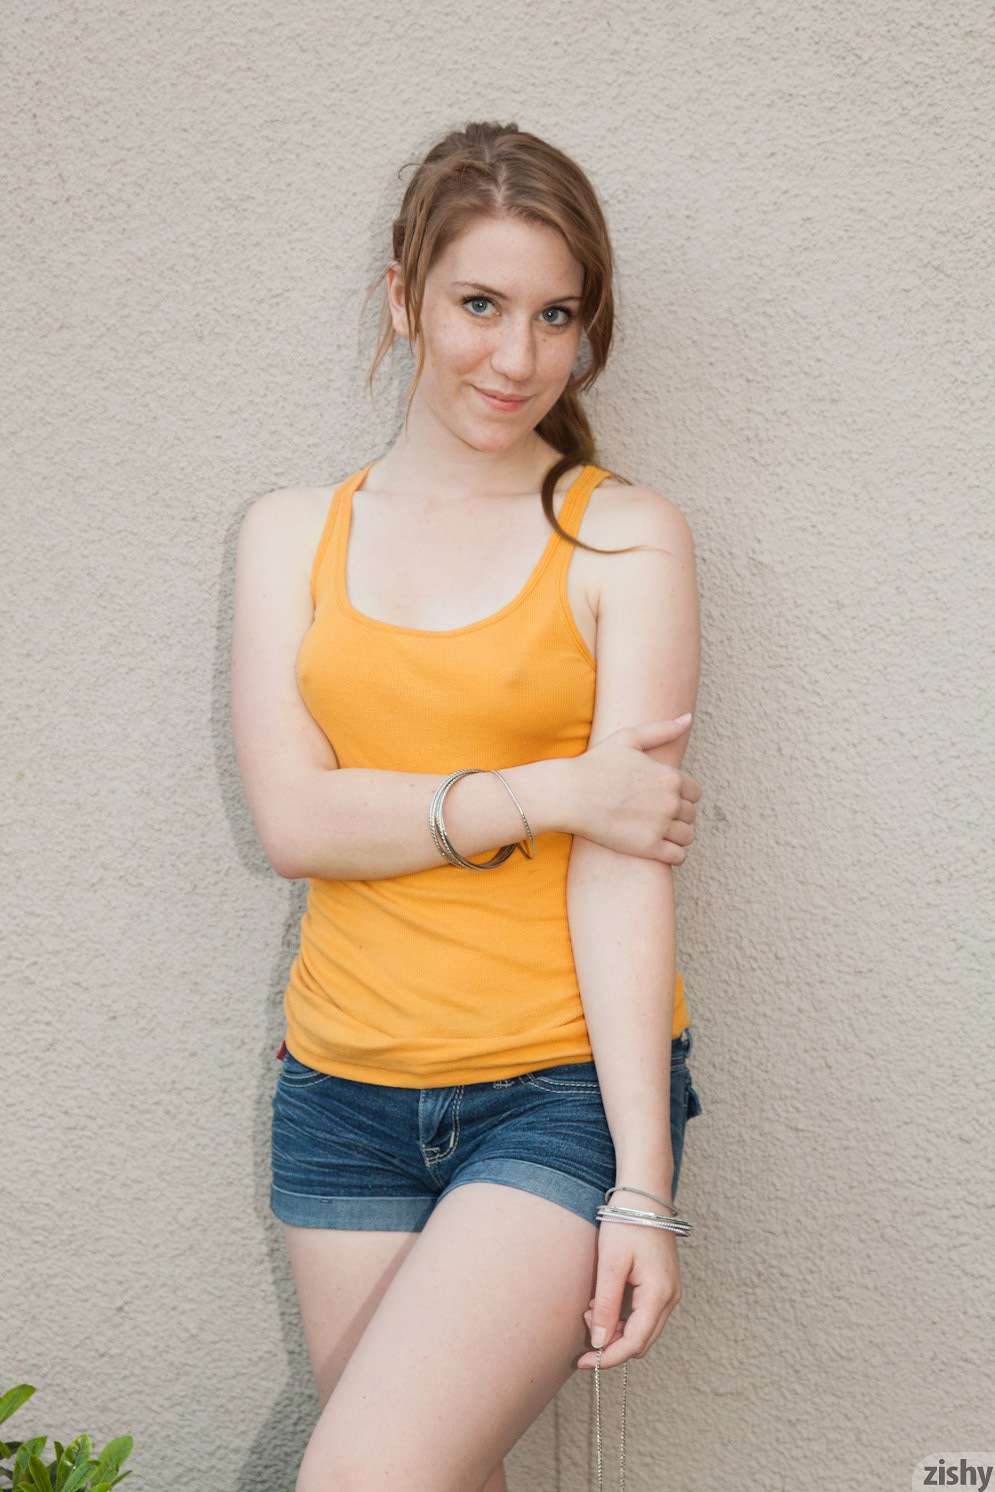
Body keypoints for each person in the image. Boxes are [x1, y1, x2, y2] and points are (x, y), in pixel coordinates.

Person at [231, 119, 704, 1492]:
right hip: (341, 1091)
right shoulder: (290, 535)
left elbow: (624, 867)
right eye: (480, 304)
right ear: (404, 299)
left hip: (551, 1092)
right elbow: (295, 825)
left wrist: (642, 1183)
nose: (518, 357)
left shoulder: (621, 535)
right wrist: (557, 789)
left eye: (557, 315)